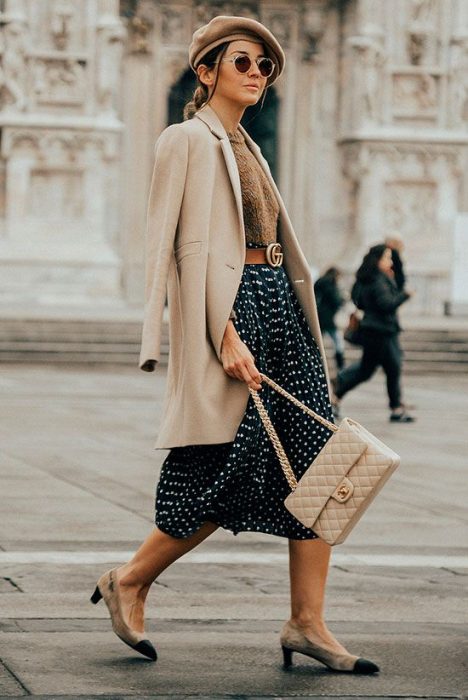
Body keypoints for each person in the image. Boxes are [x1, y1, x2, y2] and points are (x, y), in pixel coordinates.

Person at [90, 16, 379, 675]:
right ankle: (131, 579)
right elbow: (178, 249)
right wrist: (222, 335)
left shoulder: (247, 144)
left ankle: (307, 620)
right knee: (229, 464)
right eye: (243, 62)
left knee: (323, 463)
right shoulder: (184, 140)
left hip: (279, 301)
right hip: (235, 309)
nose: (257, 74)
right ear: (206, 70)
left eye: (265, 67)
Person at [332, 244, 415, 423]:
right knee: (383, 368)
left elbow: (359, 300)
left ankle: (339, 390)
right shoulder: (377, 280)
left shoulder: (367, 278)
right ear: (377, 260)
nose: (390, 261)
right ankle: (395, 408)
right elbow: (386, 304)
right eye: (387, 258)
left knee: (376, 368)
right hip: (380, 332)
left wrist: (397, 256)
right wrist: (405, 296)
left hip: (380, 331)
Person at [314, 267, 346, 371]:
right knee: (337, 341)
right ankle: (340, 365)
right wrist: (342, 298)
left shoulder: (319, 282)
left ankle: (316, 361)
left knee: (318, 342)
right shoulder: (331, 285)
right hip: (328, 318)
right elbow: (335, 300)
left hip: (319, 316)